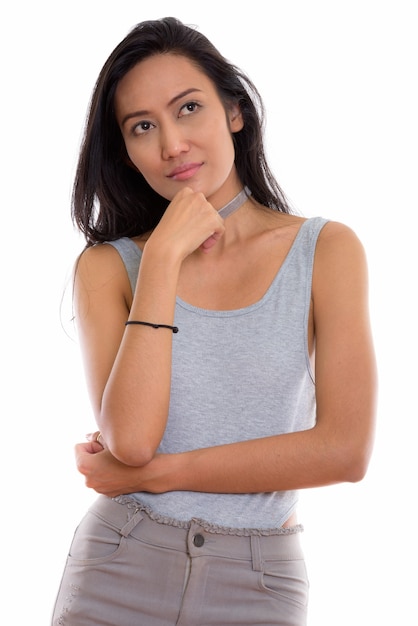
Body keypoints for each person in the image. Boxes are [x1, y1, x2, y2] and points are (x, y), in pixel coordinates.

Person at [51, 16, 377, 626]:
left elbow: (345, 451)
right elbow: (132, 439)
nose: (172, 143)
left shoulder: (326, 251)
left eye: (189, 108)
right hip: (121, 563)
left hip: (260, 580)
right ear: (125, 149)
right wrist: (164, 260)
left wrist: (163, 474)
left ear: (234, 111)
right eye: (142, 127)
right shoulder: (108, 268)